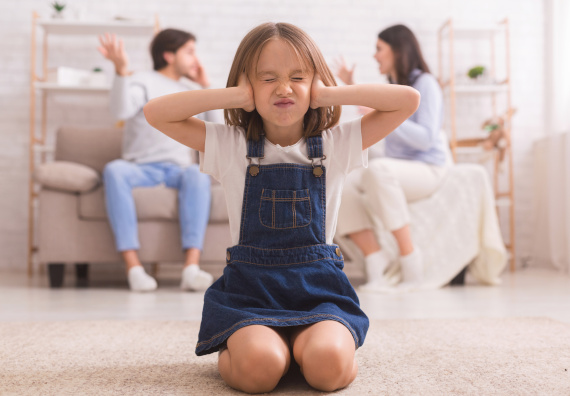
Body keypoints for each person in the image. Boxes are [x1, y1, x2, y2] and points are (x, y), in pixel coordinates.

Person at [144, 22, 419, 393]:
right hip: (251, 295)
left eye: (298, 78)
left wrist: (328, 93)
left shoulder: (337, 144)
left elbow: (407, 100)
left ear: (315, 85)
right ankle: (251, 349)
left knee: (328, 367)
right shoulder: (229, 145)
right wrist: (233, 97)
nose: (284, 89)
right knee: (261, 369)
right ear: (247, 86)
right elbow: (156, 113)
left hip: (320, 293)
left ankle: (305, 350)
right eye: (267, 78)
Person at [334, 24, 450, 292]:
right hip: (399, 167)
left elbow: (425, 138)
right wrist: (352, 87)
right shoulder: (393, 88)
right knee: (341, 181)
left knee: (379, 169)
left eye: (379, 49)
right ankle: (376, 259)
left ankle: (411, 264)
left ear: (398, 51)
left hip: (428, 168)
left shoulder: (426, 84)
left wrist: (383, 112)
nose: (374, 56)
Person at [97, 29, 213, 292]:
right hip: (140, 168)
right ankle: (134, 268)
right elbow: (121, 110)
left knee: (198, 173)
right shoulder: (143, 81)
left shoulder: (190, 89)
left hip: (177, 169)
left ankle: (191, 268)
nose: (196, 59)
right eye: (190, 51)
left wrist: (207, 87)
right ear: (169, 55)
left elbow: (217, 129)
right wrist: (121, 71)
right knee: (114, 170)